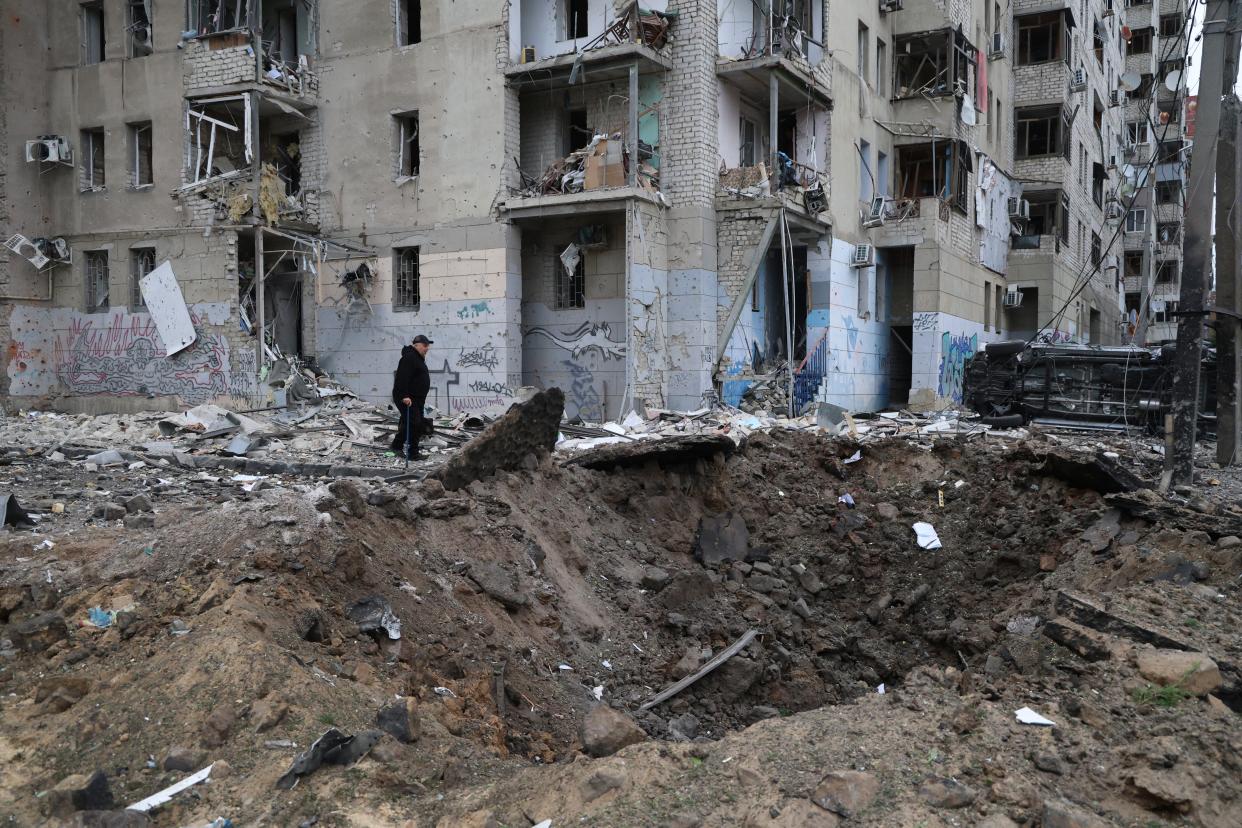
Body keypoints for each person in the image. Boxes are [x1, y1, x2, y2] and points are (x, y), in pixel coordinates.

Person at [391, 334, 433, 460]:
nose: (427, 348)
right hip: (408, 398)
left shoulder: (417, 358)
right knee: (415, 424)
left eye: (428, 346)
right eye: (425, 345)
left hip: (417, 399)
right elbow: (401, 378)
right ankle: (412, 453)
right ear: (416, 345)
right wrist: (404, 396)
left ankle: (397, 447)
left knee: (409, 422)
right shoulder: (409, 357)